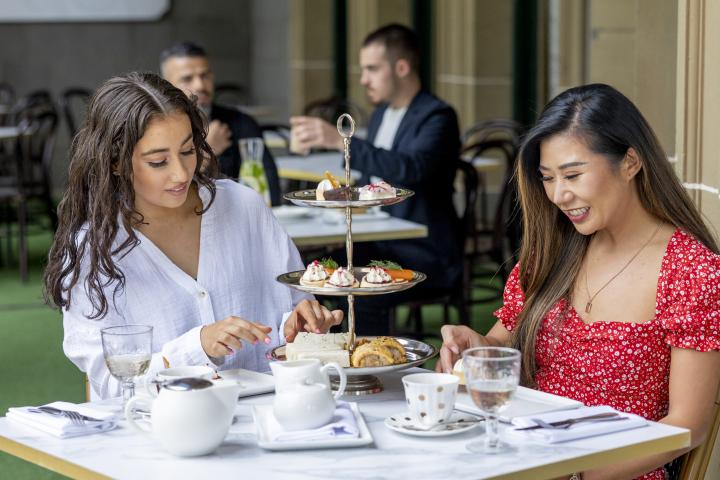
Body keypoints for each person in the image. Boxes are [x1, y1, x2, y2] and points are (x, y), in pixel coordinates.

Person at [437, 84, 720, 480]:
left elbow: (688, 425)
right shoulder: (553, 251)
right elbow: (503, 343)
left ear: (630, 162)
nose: (558, 195)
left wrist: (576, 475)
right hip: (521, 459)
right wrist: (477, 347)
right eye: (547, 178)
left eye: (572, 175)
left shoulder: (690, 271)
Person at [43, 72, 342, 400]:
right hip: (160, 438)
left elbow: (297, 305)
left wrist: (299, 327)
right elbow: (113, 386)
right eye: (158, 161)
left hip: (267, 425)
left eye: (188, 151)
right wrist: (195, 347)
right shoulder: (94, 249)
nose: (181, 173)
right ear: (116, 163)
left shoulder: (244, 208)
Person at [290, 24, 462, 334]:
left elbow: (411, 169)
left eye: (371, 68)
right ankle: (335, 351)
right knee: (320, 270)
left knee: (359, 285)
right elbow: (375, 181)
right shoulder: (383, 113)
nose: (363, 79)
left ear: (401, 67)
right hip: (380, 240)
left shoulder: (438, 116)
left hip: (423, 250)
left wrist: (341, 139)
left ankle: (369, 364)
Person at [160, 41, 281, 205]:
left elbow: (270, 190)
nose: (200, 85)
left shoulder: (241, 124)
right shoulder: (155, 130)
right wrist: (206, 151)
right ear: (166, 85)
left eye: (205, 75)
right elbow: (159, 195)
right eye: (187, 78)